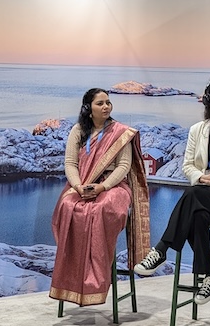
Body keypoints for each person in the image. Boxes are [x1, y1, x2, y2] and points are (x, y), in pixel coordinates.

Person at [134, 77, 210, 304]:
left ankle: (161, 250)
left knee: (192, 195)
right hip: (203, 192)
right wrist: (201, 177)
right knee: (196, 214)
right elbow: (188, 166)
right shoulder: (197, 130)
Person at [49, 88, 150, 307]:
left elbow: (123, 166)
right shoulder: (78, 131)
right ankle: (71, 280)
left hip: (113, 187)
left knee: (100, 208)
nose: (106, 107)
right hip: (82, 185)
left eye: (108, 103)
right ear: (88, 108)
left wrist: (102, 187)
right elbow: (70, 164)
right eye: (100, 103)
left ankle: (97, 279)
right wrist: (77, 186)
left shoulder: (120, 132)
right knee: (68, 205)